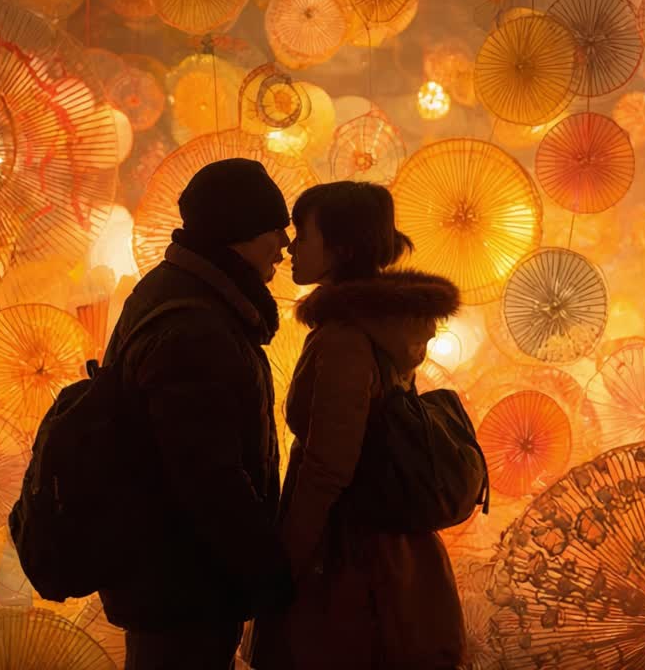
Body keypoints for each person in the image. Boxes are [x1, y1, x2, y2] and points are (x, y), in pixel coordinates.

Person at [249, 181, 467, 669]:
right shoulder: (383, 328)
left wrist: (285, 562)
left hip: (347, 560)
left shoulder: (345, 339)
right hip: (390, 551)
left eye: (304, 235)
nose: (291, 248)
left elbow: (328, 466)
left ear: (342, 249)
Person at [98, 158, 295, 669]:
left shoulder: (183, 296)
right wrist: (266, 568)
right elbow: (206, 474)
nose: (285, 244)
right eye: (274, 229)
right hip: (183, 582)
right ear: (239, 230)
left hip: (177, 576)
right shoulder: (196, 327)